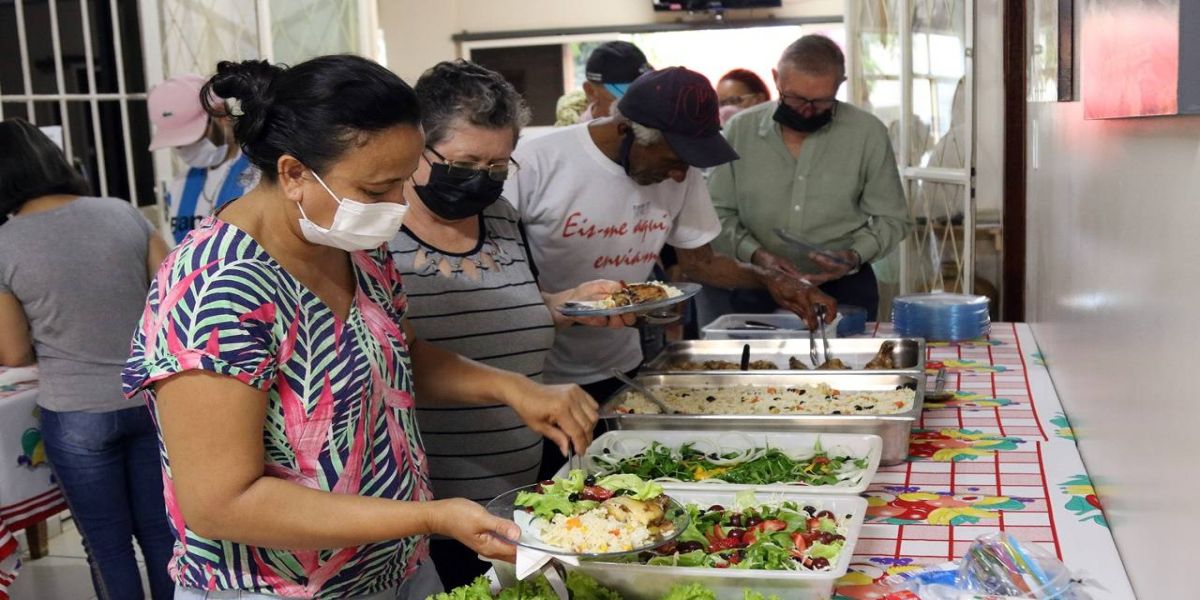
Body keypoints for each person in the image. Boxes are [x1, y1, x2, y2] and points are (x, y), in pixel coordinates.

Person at [121, 55, 599, 600]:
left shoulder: (352, 247)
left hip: (390, 567)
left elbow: (401, 355)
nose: (397, 206)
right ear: (294, 173)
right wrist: (428, 518)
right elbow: (220, 503)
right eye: (377, 190)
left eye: (404, 181)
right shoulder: (217, 289)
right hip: (279, 586)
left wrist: (513, 388)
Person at [390, 59, 629, 590]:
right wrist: (511, 388)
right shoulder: (375, 228)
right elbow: (392, 355)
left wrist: (567, 305)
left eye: (498, 166)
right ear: (414, 147)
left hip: (520, 493)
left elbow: (508, 308)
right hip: (430, 512)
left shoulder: (500, 215)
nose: (482, 180)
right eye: (465, 162)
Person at [505, 66, 837, 418]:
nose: (680, 175)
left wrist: (774, 280)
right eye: (672, 161)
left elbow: (701, 263)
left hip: (622, 368)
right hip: (536, 376)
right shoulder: (535, 162)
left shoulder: (682, 172)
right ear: (625, 130)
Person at [0, 118, 175, 600]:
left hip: (76, 413)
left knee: (107, 546)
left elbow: (13, 351)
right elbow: (171, 299)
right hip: (148, 400)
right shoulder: (122, 213)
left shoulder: (4, 244)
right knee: (163, 534)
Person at [708, 35, 911, 320]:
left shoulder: (867, 133)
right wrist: (758, 256)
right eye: (795, 98)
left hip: (845, 288)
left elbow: (893, 218)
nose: (806, 110)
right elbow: (718, 212)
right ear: (777, 79)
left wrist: (853, 256)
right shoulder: (740, 131)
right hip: (756, 283)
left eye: (820, 102)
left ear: (840, 85)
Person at [148, 74, 260, 245]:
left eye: (189, 137)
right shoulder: (179, 187)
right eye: (176, 142)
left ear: (221, 115)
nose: (182, 148)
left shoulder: (261, 173)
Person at [578, 41, 652, 122]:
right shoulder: (573, 134)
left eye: (646, 91)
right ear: (590, 91)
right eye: (626, 95)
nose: (640, 102)